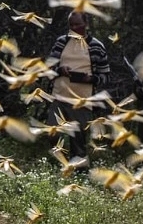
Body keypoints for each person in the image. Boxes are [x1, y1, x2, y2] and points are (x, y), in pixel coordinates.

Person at [46, 11, 110, 162]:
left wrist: (91, 79)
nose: (74, 28)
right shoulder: (61, 42)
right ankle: (58, 163)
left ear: (86, 25)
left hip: (82, 100)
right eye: (71, 25)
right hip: (60, 97)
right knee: (52, 133)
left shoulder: (96, 46)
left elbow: (106, 75)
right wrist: (59, 70)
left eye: (78, 25)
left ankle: (79, 168)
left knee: (78, 138)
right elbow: (48, 69)